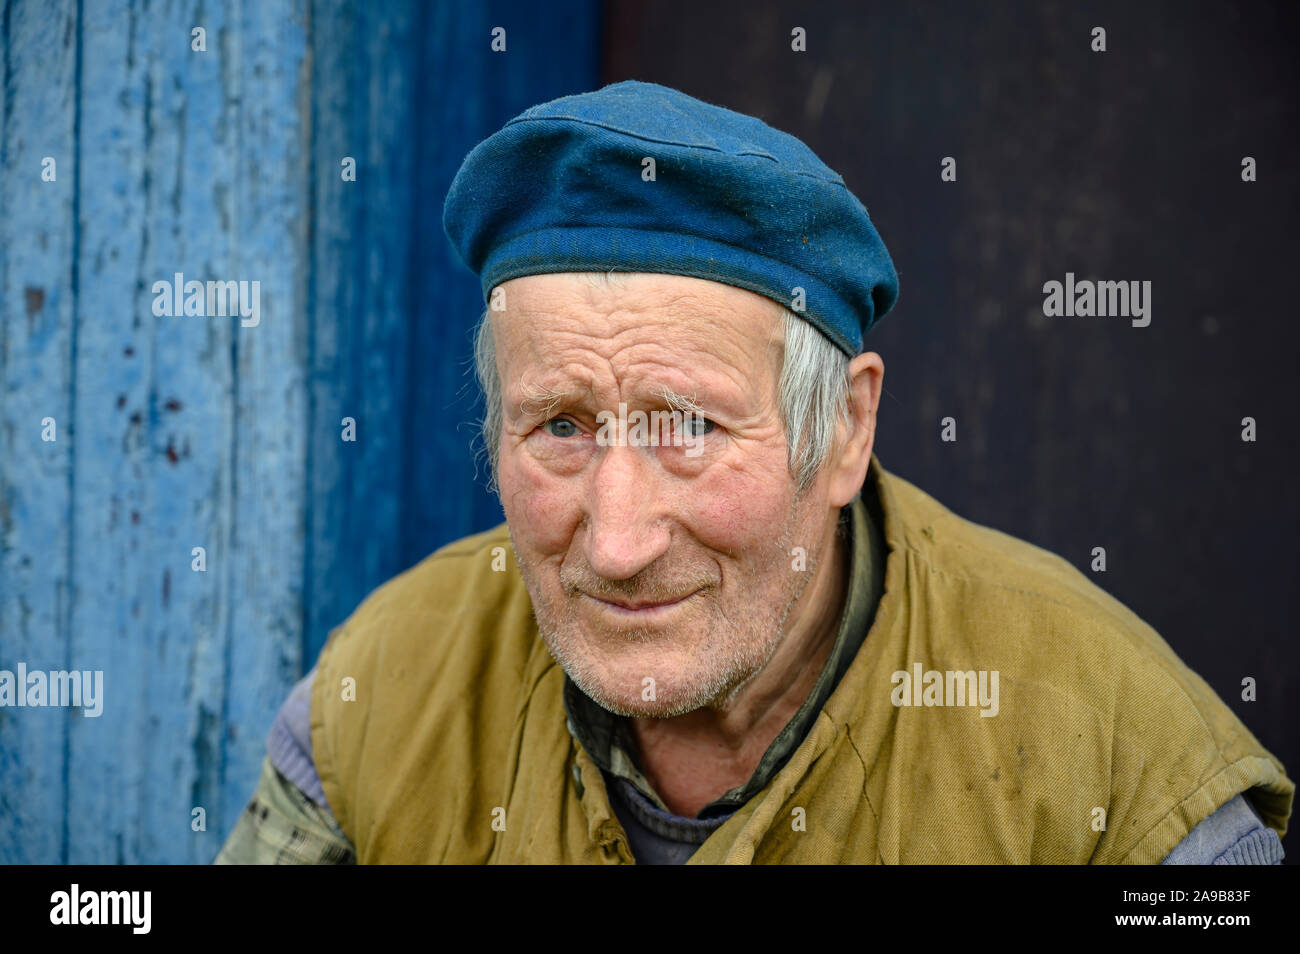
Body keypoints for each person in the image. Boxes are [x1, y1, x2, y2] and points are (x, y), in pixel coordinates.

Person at [216, 81, 1291, 864]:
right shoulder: (382, 697)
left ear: (844, 430)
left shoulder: (1110, 756)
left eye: (688, 426)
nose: (618, 539)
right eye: (559, 427)